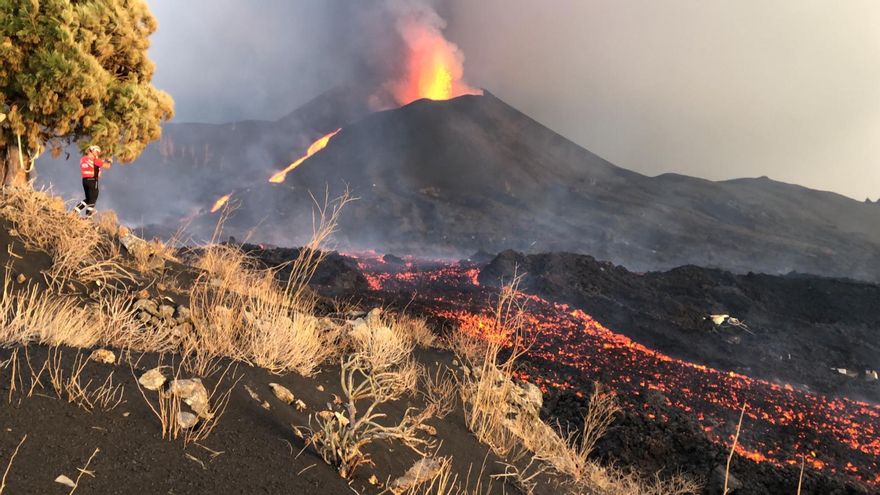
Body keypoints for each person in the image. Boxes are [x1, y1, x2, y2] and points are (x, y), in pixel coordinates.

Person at [73, 145, 111, 217]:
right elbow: (107, 166)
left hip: (85, 181)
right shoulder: (94, 160)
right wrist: (109, 160)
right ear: (92, 150)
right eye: (96, 151)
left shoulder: (83, 159)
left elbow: (92, 166)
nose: (98, 153)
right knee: (93, 199)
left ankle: (76, 210)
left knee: (88, 199)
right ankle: (88, 216)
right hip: (92, 181)